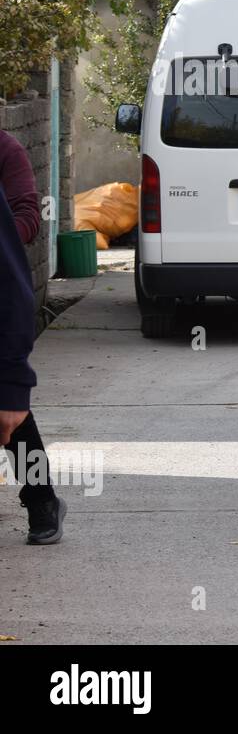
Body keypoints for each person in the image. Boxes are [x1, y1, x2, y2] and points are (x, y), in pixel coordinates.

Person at [0, 130, 65, 545]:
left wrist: (5, 232)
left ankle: (41, 498)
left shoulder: (7, 150)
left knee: (10, 411)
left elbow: (28, 215)